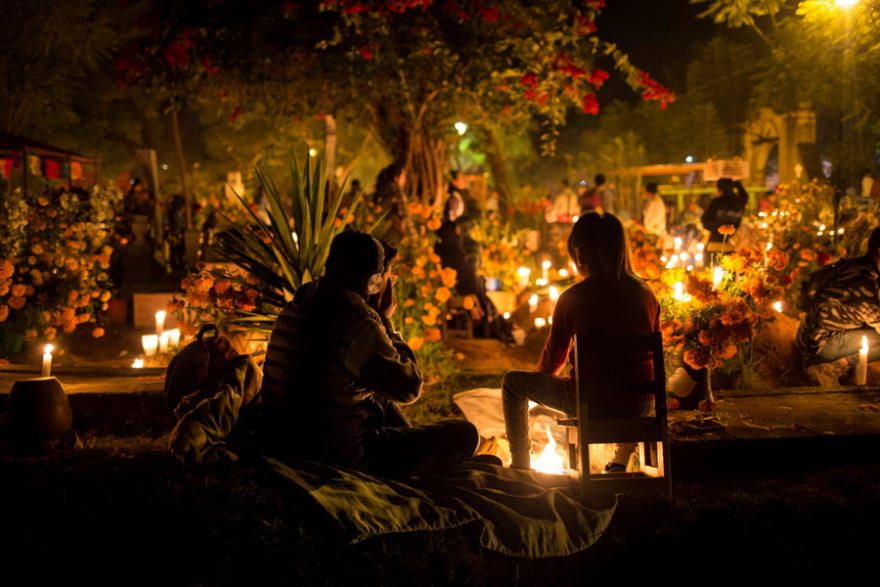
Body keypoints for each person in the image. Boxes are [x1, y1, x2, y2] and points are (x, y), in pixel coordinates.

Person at [260, 231, 479, 477]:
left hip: (283, 444)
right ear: (374, 282)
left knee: (380, 399)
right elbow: (409, 388)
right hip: (337, 457)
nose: (390, 285)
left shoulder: (299, 305)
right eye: (390, 278)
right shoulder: (353, 321)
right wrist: (387, 322)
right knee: (465, 435)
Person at [502, 213, 661, 471]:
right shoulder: (646, 294)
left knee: (512, 383)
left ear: (580, 254)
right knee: (625, 385)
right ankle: (619, 461)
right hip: (642, 402)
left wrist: (542, 385)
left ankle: (520, 464)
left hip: (592, 402)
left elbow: (554, 358)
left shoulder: (573, 298)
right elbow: (652, 349)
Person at [797, 227, 880, 386]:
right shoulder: (863, 281)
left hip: (808, 339)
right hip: (818, 348)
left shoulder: (853, 265)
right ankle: (829, 367)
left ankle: (844, 366)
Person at [701, 178, 748, 258]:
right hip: (734, 243)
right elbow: (744, 195)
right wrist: (736, 181)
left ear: (719, 190)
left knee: (711, 266)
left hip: (715, 242)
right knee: (732, 267)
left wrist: (715, 229)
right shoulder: (739, 201)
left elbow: (705, 220)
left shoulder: (716, 202)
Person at [373, 163, 408, 237]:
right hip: (394, 231)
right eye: (403, 176)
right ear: (396, 178)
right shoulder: (397, 191)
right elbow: (403, 215)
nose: (405, 178)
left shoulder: (382, 189)